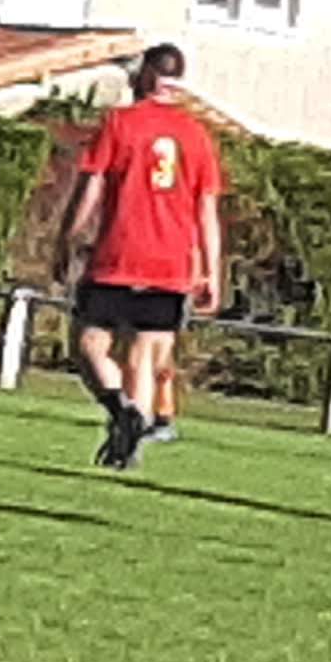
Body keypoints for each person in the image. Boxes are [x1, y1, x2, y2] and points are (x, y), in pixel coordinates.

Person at [59, 45, 225, 470]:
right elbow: (207, 210)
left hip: (119, 255)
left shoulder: (120, 123)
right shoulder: (197, 134)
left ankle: (123, 412)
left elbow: (90, 188)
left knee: (88, 344)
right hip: (172, 265)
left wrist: (66, 239)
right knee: (145, 358)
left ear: (148, 75)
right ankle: (131, 445)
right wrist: (211, 271)